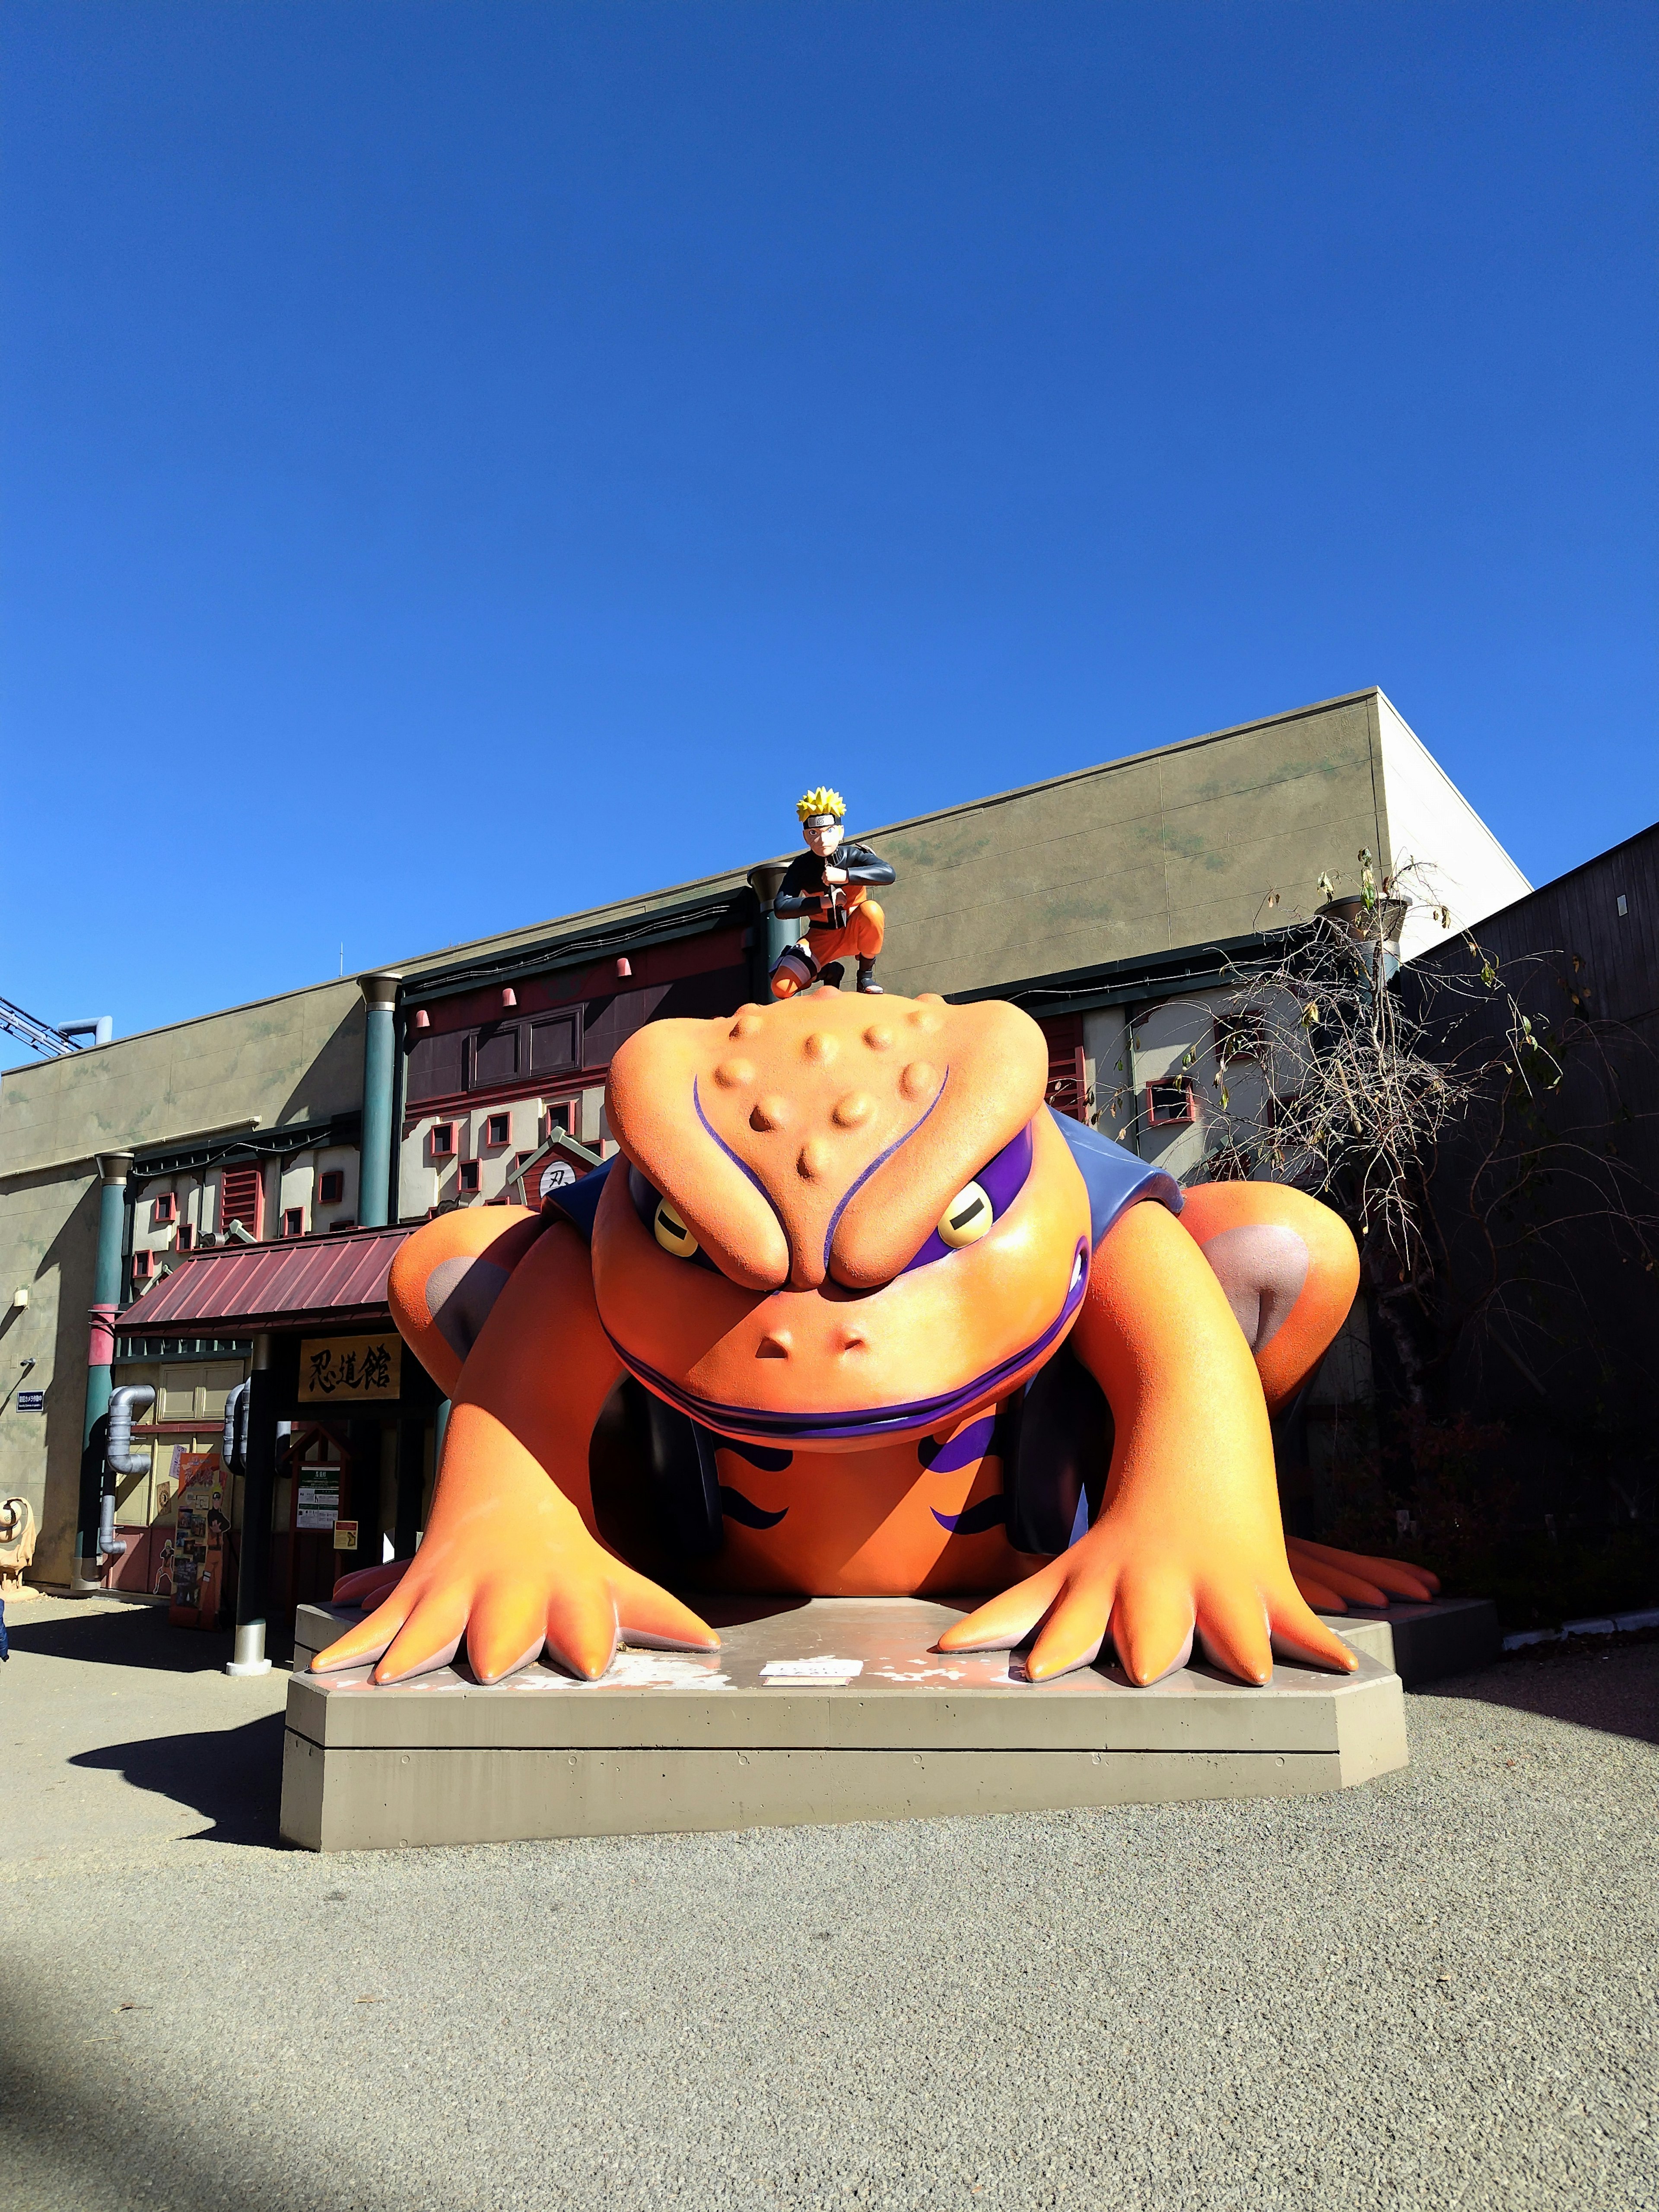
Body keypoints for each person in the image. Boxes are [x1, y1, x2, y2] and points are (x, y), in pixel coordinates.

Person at [769, 787, 896, 997]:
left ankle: (865, 976)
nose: (822, 839)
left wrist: (845, 876)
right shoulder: (801, 867)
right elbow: (781, 907)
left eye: (829, 831)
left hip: (855, 929)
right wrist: (825, 902)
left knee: (872, 910)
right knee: (781, 988)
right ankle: (829, 972)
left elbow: (888, 873)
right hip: (821, 936)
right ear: (806, 838)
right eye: (814, 833)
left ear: (840, 831)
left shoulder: (854, 855)